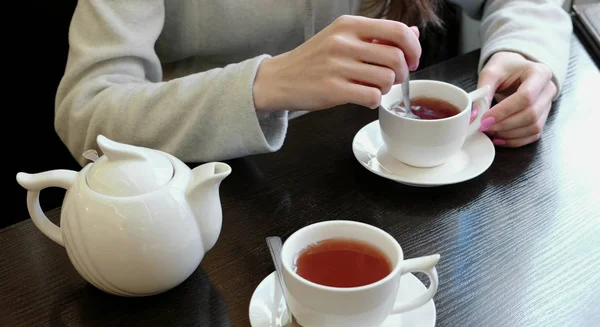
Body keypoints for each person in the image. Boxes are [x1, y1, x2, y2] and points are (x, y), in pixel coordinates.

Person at [55, 0, 572, 166]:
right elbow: (88, 114)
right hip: (209, 194)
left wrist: (523, 50)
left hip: (382, 179)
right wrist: (264, 84)